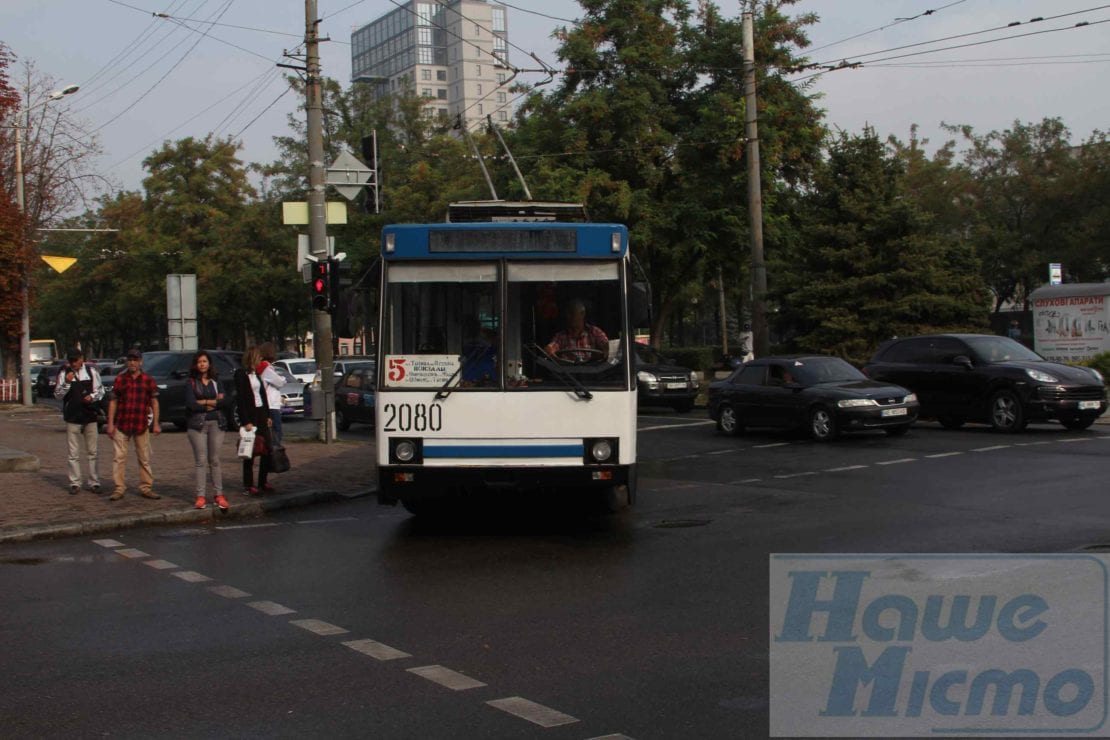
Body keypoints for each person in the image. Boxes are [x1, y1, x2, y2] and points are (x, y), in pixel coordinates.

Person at [106, 348, 161, 501]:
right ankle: (119, 488)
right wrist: (110, 424)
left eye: (135, 360)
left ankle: (146, 487)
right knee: (119, 458)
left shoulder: (147, 380)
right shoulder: (120, 379)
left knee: (144, 458)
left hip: (140, 424)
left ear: (140, 362)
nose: (132, 362)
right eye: (130, 360)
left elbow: (155, 402)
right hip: (122, 424)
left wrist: (156, 423)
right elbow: (113, 401)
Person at [53, 348, 105, 495]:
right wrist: (67, 383)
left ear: (81, 359)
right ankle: (75, 482)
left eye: (76, 360)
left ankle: (94, 482)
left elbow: (100, 391)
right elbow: (57, 395)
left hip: (89, 415)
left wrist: (93, 397)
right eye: (71, 361)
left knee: (92, 451)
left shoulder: (91, 372)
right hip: (72, 416)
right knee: (73, 452)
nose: (74, 364)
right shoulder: (64, 373)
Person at [185, 350, 228, 511]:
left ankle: (219, 494)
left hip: (216, 423)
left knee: (215, 460)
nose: (202, 364)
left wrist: (204, 401)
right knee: (201, 460)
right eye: (199, 362)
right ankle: (201, 496)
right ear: (196, 365)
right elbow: (191, 404)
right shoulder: (191, 382)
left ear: (209, 363)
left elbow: (225, 402)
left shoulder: (216, 381)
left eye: (205, 361)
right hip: (197, 425)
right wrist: (212, 403)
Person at [234, 346, 272, 496]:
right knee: (250, 450)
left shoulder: (257, 374)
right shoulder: (241, 375)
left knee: (266, 448)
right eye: (259, 358)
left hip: (261, 412)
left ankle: (263, 481)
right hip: (250, 415)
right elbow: (241, 399)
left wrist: (268, 415)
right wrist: (245, 421)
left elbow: (262, 394)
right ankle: (248, 484)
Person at [544, 298, 609, 362]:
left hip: (590, 370)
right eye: (567, 313)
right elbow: (551, 348)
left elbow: (605, 344)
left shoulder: (594, 331)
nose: (568, 316)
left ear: (582, 314)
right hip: (568, 371)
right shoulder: (561, 336)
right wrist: (550, 351)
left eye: (572, 313)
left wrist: (605, 349)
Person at [256, 342, 287, 446]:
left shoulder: (261, 366)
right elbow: (279, 382)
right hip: (271, 404)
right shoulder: (266, 367)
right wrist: (283, 379)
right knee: (276, 433)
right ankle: (274, 457)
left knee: (271, 433)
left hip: (267, 404)